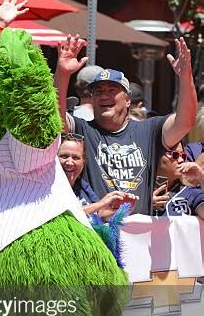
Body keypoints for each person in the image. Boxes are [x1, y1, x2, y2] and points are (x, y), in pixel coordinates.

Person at [54, 35, 197, 215]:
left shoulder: (149, 130)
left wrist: (186, 77)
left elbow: (185, 123)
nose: (104, 96)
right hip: (96, 232)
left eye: (112, 91)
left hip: (139, 236)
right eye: (98, 92)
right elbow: (55, 119)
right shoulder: (84, 130)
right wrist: (62, 73)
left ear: (128, 100)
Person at [58, 132, 137, 218]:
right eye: (64, 156)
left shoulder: (82, 186)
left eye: (76, 158)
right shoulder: (48, 188)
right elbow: (64, 215)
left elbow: (99, 214)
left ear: (83, 161)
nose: (69, 162)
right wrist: (101, 204)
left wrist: (122, 208)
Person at [152, 144, 204, 217]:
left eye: (183, 156)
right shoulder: (140, 191)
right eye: (175, 154)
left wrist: (201, 177)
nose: (181, 160)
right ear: (155, 156)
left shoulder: (190, 192)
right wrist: (144, 205)